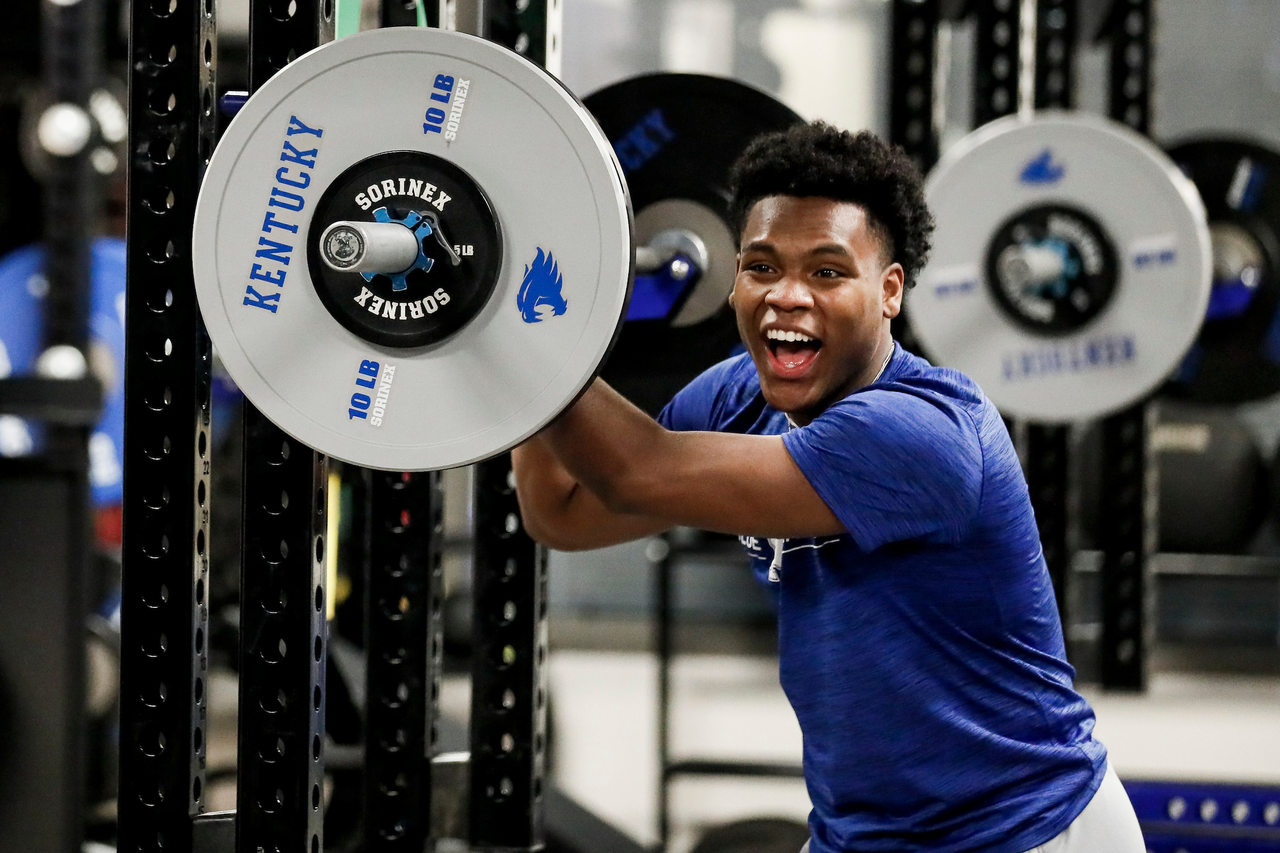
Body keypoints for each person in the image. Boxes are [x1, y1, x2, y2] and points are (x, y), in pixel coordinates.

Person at [511, 122, 1145, 853]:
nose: (786, 296)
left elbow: (632, 470)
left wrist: (525, 326)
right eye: (760, 267)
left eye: (827, 272)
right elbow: (562, 511)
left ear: (890, 291)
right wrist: (522, 345)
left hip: (1023, 828)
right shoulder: (740, 397)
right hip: (861, 833)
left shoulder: (921, 433)